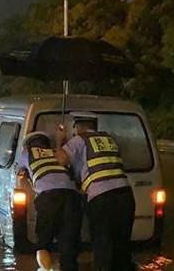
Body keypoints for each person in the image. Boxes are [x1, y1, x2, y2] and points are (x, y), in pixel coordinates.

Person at [55, 112, 136, 271]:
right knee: (122, 249)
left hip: (102, 199)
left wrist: (60, 141)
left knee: (103, 248)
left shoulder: (80, 139)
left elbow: (61, 159)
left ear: (78, 127)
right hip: (125, 196)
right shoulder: (109, 139)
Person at [16, 131, 82, 271]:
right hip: (72, 196)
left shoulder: (27, 153)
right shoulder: (57, 152)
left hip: (48, 197)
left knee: (42, 243)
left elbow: (19, 175)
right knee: (68, 244)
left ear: (28, 145)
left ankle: (47, 270)